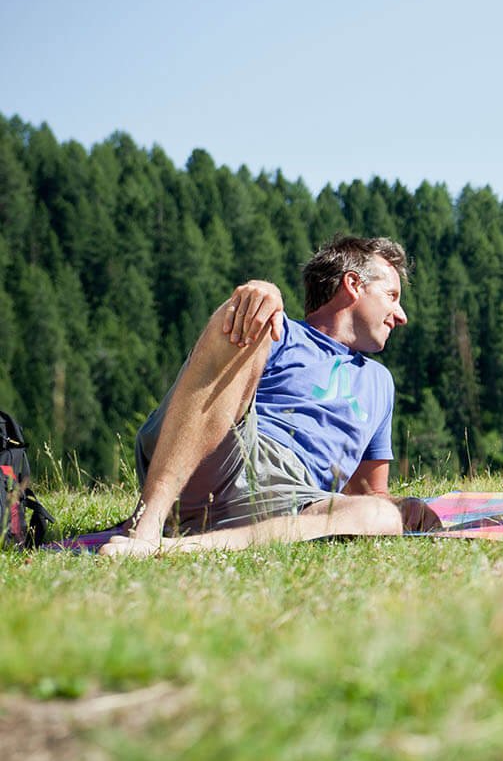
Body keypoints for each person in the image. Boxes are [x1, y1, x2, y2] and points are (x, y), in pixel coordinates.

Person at [102, 236, 434, 556]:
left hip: (294, 501)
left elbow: (368, 492)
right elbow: (215, 376)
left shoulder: (380, 381)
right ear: (353, 285)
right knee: (254, 317)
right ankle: (146, 524)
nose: (401, 315)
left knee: (382, 517)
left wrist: (402, 507)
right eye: (391, 295)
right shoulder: (283, 333)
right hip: (225, 457)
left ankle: (175, 549)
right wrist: (263, 292)